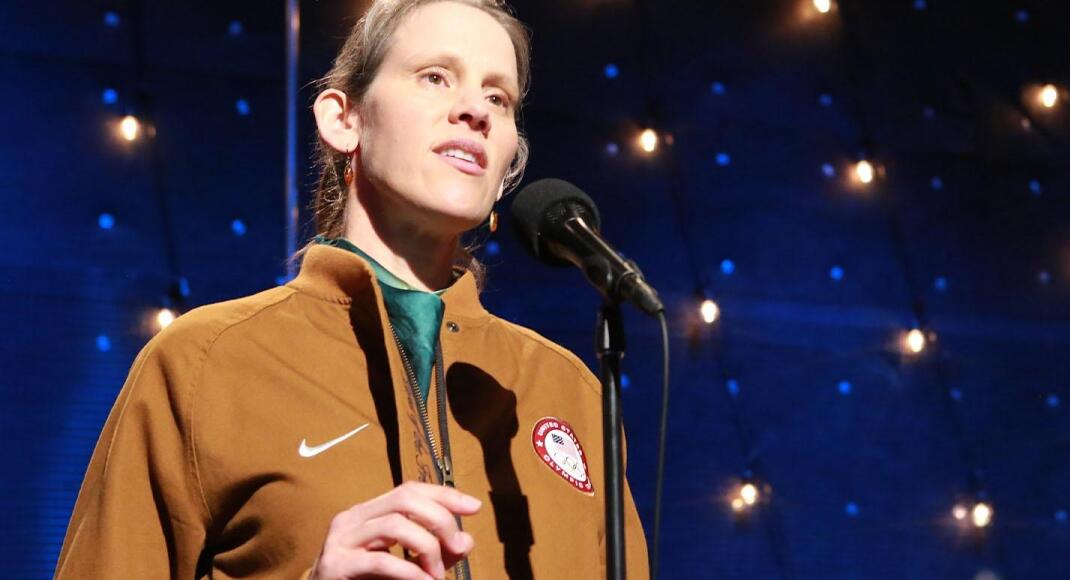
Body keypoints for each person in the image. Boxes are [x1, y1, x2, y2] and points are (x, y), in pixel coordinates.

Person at [54, 1, 650, 578]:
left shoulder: (571, 394)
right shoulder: (203, 362)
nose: (476, 111)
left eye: (499, 97)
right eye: (435, 77)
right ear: (344, 119)